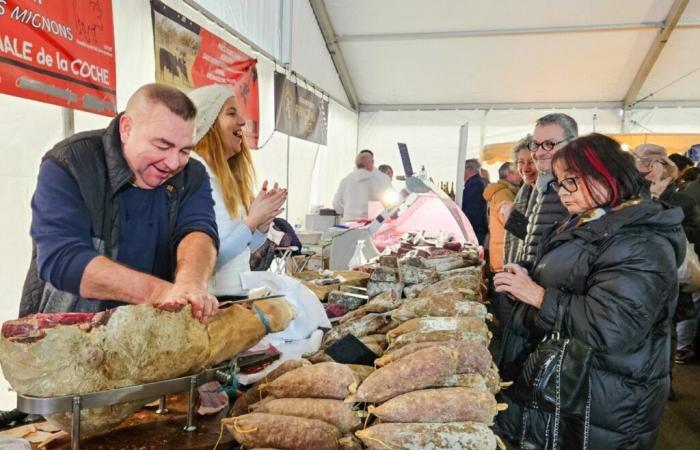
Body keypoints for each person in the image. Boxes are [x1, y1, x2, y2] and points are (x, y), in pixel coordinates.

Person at [494, 133, 683, 449]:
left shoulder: (640, 241)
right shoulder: (591, 220)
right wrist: (530, 272)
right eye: (559, 183)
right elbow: (573, 273)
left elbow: (612, 326)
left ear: (606, 174)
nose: (563, 193)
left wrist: (538, 295)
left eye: (571, 181)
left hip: (604, 402)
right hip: (575, 390)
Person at [21, 83, 220, 322]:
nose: (173, 162)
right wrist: (161, 292)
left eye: (185, 150)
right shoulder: (71, 163)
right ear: (126, 129)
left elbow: (198, 229)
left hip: (151, 334)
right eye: (162, 146)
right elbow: (62, 258)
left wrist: (191, 283)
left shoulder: (193, 174)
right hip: (70, 338)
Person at [188, 84, 287, 295]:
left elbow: (243, 251)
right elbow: (208, 261)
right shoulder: (194, 179)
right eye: (231, 113)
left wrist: (260, 225)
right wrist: (250, 223)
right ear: (207, 125)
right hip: (210, 304)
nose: (242, 121)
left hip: (233, 297)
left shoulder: (226, 179)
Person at [633, 144, 700, 367]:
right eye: (643, 163)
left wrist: (667, 227)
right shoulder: (633, 196)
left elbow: (694, 231)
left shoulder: (683, 200)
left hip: (672, 272)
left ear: (666, 169)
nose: (648, 168)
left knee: (665, 330)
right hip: (639, 273)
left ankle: (665, 379)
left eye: (654, 163)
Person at [505, 113, 577, 265]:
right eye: (536, 145)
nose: (539, 152)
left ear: (572, 144)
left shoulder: (578, 187)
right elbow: (533, 239)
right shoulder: (541, 185)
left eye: (550, 144)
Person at [503, 135, 537, 266]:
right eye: (521, 162)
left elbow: (541, 239)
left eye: (531, 161)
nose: (526, 168)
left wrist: (511, 218)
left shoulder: (550, 194)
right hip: (519, 267)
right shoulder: (524, 192)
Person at [333, 150, 391, 222]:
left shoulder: (346, 180)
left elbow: (336, 203)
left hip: (348, 223)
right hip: (372, 224)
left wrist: (346, 213)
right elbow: (389, 203)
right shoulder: (381, 179)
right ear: (372, 162)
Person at [483, 162, 521, 272]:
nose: (521, 175)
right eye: (518, 172)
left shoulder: (503, 192)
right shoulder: (503, 194)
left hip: (500, 254)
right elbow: (512, 223)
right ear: (509, 173)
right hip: (504, 256)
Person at [461, 158, 488, 245]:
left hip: (474, 230)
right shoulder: (480, 182)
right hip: (479, 229)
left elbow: (470, 211)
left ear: (468, 169)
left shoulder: (474, 185)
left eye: (462, 169)